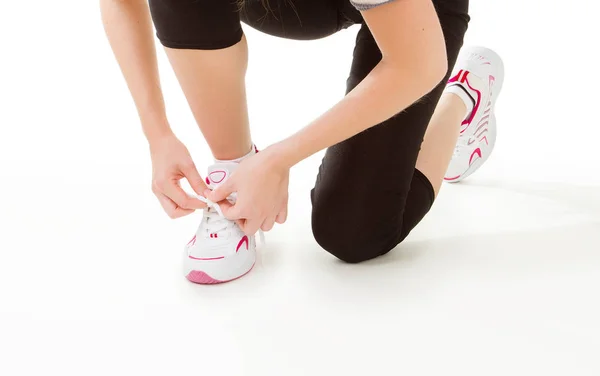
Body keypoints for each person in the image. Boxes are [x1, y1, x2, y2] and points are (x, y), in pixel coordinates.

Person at [100, 0, 503, 284]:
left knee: (354, 231)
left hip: (419, 22)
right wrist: (158, 135)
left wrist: (280, 159)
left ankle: (463, 100)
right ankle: (233, 177)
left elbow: (417, 63)